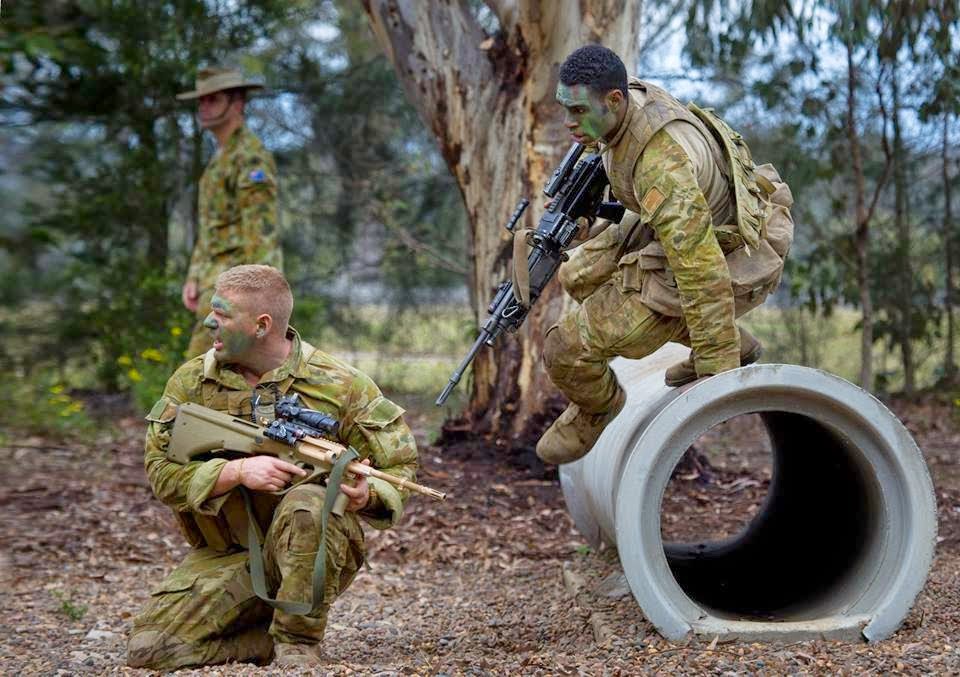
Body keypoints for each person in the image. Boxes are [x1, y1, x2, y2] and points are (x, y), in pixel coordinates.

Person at [126, 265, 418, 669]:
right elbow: (160, 473)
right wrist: (236, 473)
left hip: (312, 545)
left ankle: (298, 642)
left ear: (262, 325)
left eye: (223, 313)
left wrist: (370, 495)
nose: (210, 321)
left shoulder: (341, 385)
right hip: (229, 554)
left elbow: (399, 466)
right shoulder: (192, 382)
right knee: (149, 652)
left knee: (309, 504)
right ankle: (262, 643)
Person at [537, 45, 794, 465]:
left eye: (579, 111)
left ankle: (598, 407)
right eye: (565, 109)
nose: (569, 123)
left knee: (565, 349)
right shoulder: (626, 104)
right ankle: (727, 339)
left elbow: (700, 267)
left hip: (732, 255)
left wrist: (716, 374)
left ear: (614, 100)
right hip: (679, 225)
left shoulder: (661, 166)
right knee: (579, 274)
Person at [177, 67, 283, 358]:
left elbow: (262, 234)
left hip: (236, 295)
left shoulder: (250, 157)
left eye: (213, 99)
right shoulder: (220, 157)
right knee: (220, 383)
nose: (204, 106)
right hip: (217, 286)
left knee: (196, 376)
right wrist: (194, 276)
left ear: (237, 104)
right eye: (201, 100)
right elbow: (212, 225)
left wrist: (257, 298)